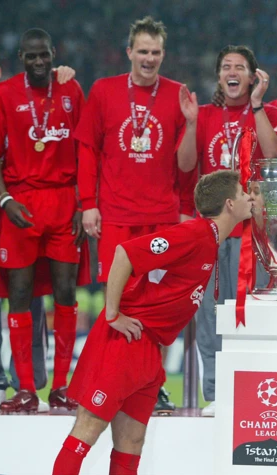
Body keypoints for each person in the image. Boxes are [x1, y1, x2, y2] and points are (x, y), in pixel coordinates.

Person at [52, 170, 254, 475]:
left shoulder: (210, 240)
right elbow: (124, 253)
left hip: (149, 348)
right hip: (124, 342)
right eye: (243, 194)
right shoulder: (194, 233)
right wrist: (112, 314)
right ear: (229, 203)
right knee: (88, 429)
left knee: (132, 441)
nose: (249, 198)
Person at [76, 16, 197, 414]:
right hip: (115, 215)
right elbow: (87, 150)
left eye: (156, 52)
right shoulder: (105, 90)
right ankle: (110, 382)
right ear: (129, 52)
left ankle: (153, 386)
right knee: (120, 305)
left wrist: (182, 210)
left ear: (164, 54)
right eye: (142, 51)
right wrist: (87, 204)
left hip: (161, 217)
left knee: (155, 307)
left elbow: (186, 166)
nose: (149, 59)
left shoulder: (179, 94)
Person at [0, 29, 87, 413]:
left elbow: (84, 149)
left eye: (45, 55)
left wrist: (81, 202)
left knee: (64, 293)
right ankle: (25, 389)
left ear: (53, 54)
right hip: (21, 204)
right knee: (20, 294)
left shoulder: (72, 90)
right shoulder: (6, 94)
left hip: (62, 202)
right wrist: (5, 198)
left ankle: (61, 388)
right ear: (21, 58)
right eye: (31, 57)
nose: (39, 62)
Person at [179, 44, 277, 417]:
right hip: (209, 230)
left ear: (253, 76)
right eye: (226, 66)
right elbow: (186, 165)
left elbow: (273, 158)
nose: (232, 71)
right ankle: (215, 394)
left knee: (246, 312)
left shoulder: (267, 112)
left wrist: (257, 106)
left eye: (240, 66)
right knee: (208, 313)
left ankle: (249, 391)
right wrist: (191, 124)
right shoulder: (204, 114)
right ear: (219, 75)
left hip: (250, 231)